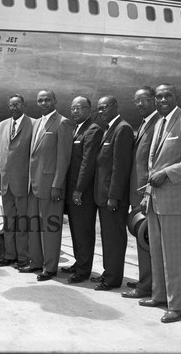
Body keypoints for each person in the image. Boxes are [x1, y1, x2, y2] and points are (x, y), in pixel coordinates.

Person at [139, 84, 181, 323]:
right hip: (156, 199)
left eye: (168, 95)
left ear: (175, 97)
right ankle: (160, 295)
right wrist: (146, 195)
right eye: (158, 96)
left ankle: (177, 305)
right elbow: (152, 165)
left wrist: (168, 173)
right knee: (157, 251)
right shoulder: (159, 123)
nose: (162, 99)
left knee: (175, 255)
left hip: (175, 200)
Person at [21, 89, 73, 281]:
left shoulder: (62, 122)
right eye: (40, 100)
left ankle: (50, 267)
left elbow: (63, 158)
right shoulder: (36, 123)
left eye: (47, 100)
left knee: (50, 229)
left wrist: (57, 185)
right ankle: (36, 262)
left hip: (50, 185)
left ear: (55, 101)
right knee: (34, 226)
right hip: (33, 185)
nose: (43, 103)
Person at [92, 95, 133, 291]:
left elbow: (120, 167)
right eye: (99, 108)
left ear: (116, 107)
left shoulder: (122, 129)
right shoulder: (110, 128)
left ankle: (113, 279)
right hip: (104, 196)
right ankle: (109, 272)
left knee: (115, 239)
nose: (101, 111)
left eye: (105, 107)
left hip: (112, 198)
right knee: (108, 238)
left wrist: (114, 196)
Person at [122, 87, 159, 298]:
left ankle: (147, 286)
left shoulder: (157, 124)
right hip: (138, 194)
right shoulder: (146, 124)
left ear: (153, 100)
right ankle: (145, 278)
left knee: (147, 241)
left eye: (143, 100)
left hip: (147, 194)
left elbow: (154, 163)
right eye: (136, 101)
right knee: (142, 240)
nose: (139, 104)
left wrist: (147, 192)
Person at [63, 96, 103, 283]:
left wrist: (79, 189)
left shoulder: (92, 130)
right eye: (72, 108)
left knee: (84, 233)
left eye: (79, 108)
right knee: (75, 231)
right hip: (72, 192)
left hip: (82, 194)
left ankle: (83, 271)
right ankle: (79, 263)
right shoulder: (76, 129)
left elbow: (87, 163)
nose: (75, 111)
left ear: (89, 110)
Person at [0, 94, 33, 268]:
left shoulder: (33, 124)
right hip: (5, 183)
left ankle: (23, 257)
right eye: (11, 105)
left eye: (17, 104)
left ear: (24, 105)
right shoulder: (2, 126)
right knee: (9, 222)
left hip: (23, 183)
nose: (14, 107)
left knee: (23, 223)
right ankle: (10, 255)